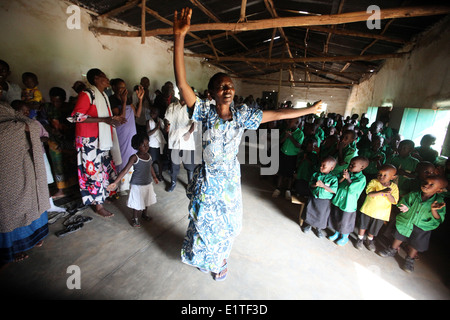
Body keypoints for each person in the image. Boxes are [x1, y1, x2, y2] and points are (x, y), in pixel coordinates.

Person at [173, 7, 323, 281]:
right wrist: (179, 36)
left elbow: (277, 113)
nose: (228, 89)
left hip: (229, 178)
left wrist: (308, 110)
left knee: (227, 225)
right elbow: (182, 84)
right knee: (204, 224)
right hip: (207, 178)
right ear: (211, 93)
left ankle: (219, 262)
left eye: (230, 85)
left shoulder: (243, 115)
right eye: (221, 87)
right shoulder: (204, 111)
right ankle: (200, 258)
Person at [68, 68, 126, 218]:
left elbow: (106, 118)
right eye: (103, 77)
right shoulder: (87, 94)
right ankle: (98, 205)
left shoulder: (103, 96)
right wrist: (105, 120)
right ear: (95, 79)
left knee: (103, 171)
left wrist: (115, 120)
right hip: (89, 141)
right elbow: (77, 117)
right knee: (93, 173)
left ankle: (101, 197)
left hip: (102, 139)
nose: (107, 79)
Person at [0, 101, 50, 263]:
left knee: (30, 198)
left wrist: (23, 126)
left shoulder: (5, 107)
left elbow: (31, 125)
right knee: (8, 206)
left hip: (24, 162)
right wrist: (19, 128)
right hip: (5, 168)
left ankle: (33, 237)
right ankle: (11, 248)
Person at [378, 175, 447, 272]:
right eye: (425, 182)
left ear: (439, 190)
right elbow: (403, 202)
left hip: (423, 226)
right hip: (407, 220)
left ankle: (410, 259)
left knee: (416, 243)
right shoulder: (414, 194)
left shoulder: (439, 202)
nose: (426, 185)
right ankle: (392, 249)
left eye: (431, 185)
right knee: (399, 236)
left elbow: (438, 218)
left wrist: (433, 210)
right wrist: (404, 206)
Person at [107, 133, 159, 228]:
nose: (146, 147)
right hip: (137, 185)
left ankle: (144, 214)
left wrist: (154, 176)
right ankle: (135, 218)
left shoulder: (149, 156)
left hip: (147, 183)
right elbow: (125, 170)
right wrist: (115, 182)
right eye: (143, 145)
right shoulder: (134, 157)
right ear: (137, 146)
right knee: (137, 201)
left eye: (147, 144)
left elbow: (150, 166)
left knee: (146, 199)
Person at [41, 87, 78, 198]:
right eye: (53, 101)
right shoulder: (47, 108)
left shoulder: (70, 108)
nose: (55, 103)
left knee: (72, 163)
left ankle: (74, 186)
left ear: (64, 99)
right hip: (54, 141)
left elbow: (75, 125)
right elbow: (42, 122)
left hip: (69, 139)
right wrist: (49, 129)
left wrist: (65, 129)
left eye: (58, 101)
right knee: (58, 165)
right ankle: (61, 189)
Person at [109, 78, 144, 193]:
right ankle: (120, 186)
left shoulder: (128, 100)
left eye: (124, 87)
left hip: (131, 134)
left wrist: (140, 100)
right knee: (122, 158)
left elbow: (137, 115)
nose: (123, 90)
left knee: (131, 156)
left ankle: (130, 182)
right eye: (120, 87)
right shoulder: (112, 100)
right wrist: (123, 102)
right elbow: (121, 119)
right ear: (113, 88)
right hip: (121, 134)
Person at [328, 156, 369, 246]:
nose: (350, 166)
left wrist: (348, 178)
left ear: (362, 168)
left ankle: (344, 237)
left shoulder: (362, 178)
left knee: (345, 221)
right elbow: (337, 182)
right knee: (337, 216)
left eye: (353, 165)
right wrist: (343, 177)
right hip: (339, 200)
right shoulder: (346, 172)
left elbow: (354, 190)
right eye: (350, 164)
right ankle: (336, 233)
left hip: (348, 204)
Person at [356, 164, 399, 251]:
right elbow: (369, 193)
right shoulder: (374, 182)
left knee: (374, 228)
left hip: (381, 213)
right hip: (367, 209)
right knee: (363, 225)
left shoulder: (394, 187)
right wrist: (382, 191)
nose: (381, 177)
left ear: (393, 177)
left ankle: (369, 240)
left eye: (385, 175)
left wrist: (389, 194)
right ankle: (359, 239)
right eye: (379, 174)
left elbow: (394, 201)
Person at [164, 95, 197, 192]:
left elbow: (195, 122)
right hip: (174, 140)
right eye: (181, 93)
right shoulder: (172, 106)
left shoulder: (192, 107)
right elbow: (166, 118)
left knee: (189, 165)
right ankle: (173, 183)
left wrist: (189, 133)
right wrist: (167, 124)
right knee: (174, 164)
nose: (183, 95)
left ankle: (190, 184)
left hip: (187, 141)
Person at [302, 156, 338, 238]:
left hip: (324, 201)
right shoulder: (316, 174)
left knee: (321, 215)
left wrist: (323, 186)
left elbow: (333, 190)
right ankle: (309, 225)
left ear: (331, 168)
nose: (321, 167)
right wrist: (315, 185)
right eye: (321, 165)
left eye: (324, 166)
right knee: (310, 211)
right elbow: (310, 184)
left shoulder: (333, 179)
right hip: (314, 197)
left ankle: (318, 229)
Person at [273, 117, 303, 200]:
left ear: (297, 123)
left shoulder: (300, 133)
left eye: (291, 121)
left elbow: (298, 145)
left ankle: (288, 190)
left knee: (290, 174)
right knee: (281, 172)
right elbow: (280, 141)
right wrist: (286, 137)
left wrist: (290, 137)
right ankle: (278, 189)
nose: (289, 122)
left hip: (292, 156)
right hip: (283, 154)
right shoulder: (287, 130)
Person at [147, 106, 166, 180]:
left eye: (154, 113)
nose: (152, 114)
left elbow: (164, 132)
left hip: (159, 144)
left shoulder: (160, 121)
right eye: (151, 112)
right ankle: (152, 175)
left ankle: (160, 175)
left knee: (159, 161)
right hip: (152, 144)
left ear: (158, 114)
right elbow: (148, 134)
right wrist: (156, 128)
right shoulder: (149, 122)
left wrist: (160, 128)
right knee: (151, 161)